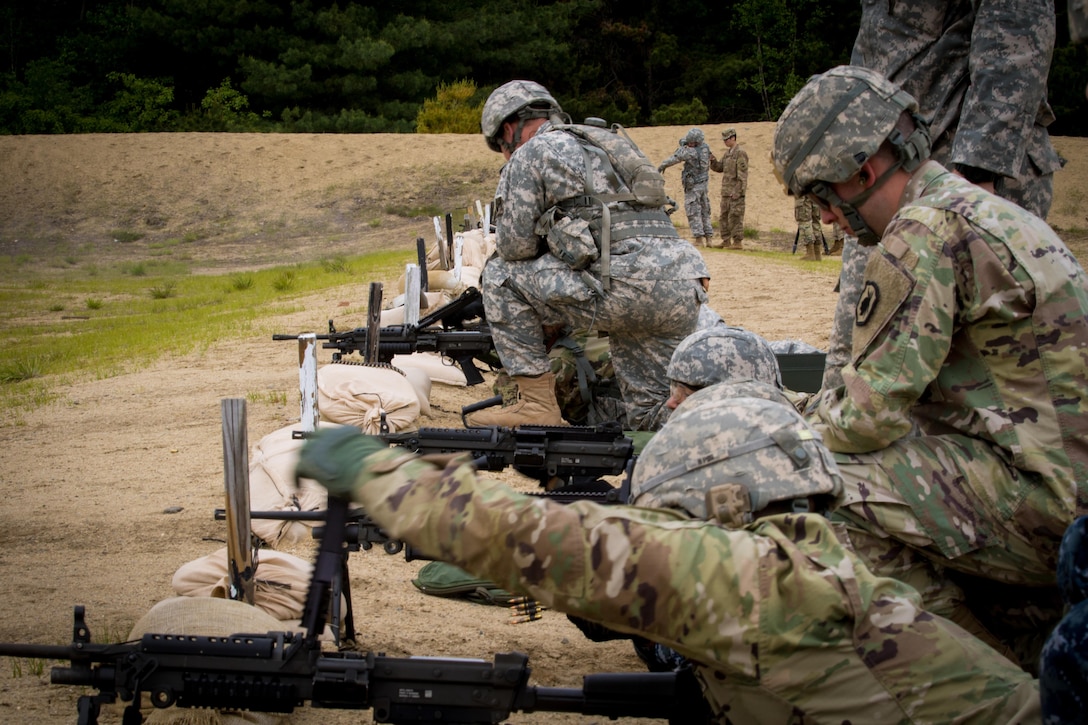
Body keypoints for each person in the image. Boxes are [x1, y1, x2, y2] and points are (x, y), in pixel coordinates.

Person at [294, 387, 1040, 723]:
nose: (665, 537)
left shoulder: (766, 585)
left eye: (671, 523)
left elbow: (553, 548)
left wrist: (374, 471)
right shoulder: (829, 556)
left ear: (722, 505)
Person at [771, 65, 1088, 660]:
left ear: (861, 172)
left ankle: (986, 671)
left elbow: (866, 417)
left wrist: (770, 436)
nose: (828, 221)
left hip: (1053, 508)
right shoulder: (983, 208)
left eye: (822, 200)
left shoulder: (924, 230)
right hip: (1065, 495)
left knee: (810, 487)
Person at [824, 0, 1064, 390]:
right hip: (885, 168)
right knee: (858, 352)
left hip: (960, 161)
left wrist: (977, 172)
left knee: (975, 375)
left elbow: (1016, 27)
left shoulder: (967, 185)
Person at [467, 80, 709, 432]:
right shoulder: (608, 143)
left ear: (508, 129)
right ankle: (742, 424)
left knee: (500, 275)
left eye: (502, 148)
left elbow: (514, 247)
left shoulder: (533, 152)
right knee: (652, 414)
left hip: (623, 287)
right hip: (684, 284)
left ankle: (534, 404)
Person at [657, 128, 714, 247]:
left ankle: (698, 238)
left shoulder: (690, 152)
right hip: (704, 185)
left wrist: (661, 167)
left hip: (693, 186)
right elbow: (684, 143)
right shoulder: (705, 148)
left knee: (693, 211)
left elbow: (674, 158)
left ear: (695, 142)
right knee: (705, 210)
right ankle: (709, 238)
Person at [709, 128, 748, 249]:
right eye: (724, 140)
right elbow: (720, 168)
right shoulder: (727, 153)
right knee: (724, 217)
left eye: (727, 139)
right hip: (726, 192)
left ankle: (737, 242)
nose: (725, 142)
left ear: (733, 138)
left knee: (735, 216)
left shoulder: (740, 153)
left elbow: (742, 175)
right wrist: (713, 160)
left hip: (735, 192)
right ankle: (726, 240)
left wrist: (738, 191)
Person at [792, 195, 824, 261]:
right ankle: (817, 253)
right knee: (816, 221)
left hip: (804, 193)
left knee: (804, 221)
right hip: (816, 192)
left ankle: (810, 252)